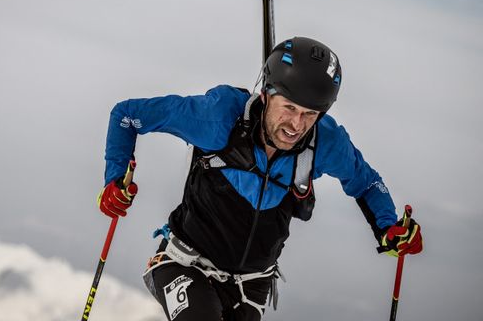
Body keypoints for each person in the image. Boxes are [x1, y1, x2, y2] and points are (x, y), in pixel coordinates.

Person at [97, 37, 423, 321]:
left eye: (310, 114)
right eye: (290, 108)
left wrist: (387, 227)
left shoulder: (325, 142)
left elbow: (367, 182)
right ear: (267, 94)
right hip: (185, 264)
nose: (297, 124)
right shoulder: (218, 117)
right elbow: (126, 115)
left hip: (252, 284)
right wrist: (115, 181)